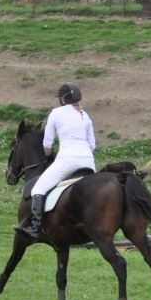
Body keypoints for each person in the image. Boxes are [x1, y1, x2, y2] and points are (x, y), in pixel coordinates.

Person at [15, 82, 96, 239]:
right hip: (88, 162)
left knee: (38, 189)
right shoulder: (85, 115)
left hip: (67, 161)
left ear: (63, 99)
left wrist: (48, 155)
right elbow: (92, 144)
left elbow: (47, 144)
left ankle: (35, 227)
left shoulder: (56, 113)